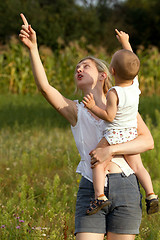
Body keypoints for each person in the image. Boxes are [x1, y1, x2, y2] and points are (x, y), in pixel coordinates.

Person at [19, 13, 155, 240]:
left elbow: (147, 142)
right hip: (92, 188)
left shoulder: (123, 105)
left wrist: (109, 150)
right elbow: (45, 88)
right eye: (76, 68)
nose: (79, 69)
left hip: (127, 185)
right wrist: (34, 48)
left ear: (104, 74)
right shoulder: (76, 110)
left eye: (85, 66)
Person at [82, 30, 159, 216]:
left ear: (112, 72)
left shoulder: (113, 92)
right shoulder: (135, 86)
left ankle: (99, 196)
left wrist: (92, 106)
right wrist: (126, 42)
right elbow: (132, 61)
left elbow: (109, 116)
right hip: (131, 134)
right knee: (138, 166)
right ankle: (151, 195)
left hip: (114, 135)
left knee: (97, 161)